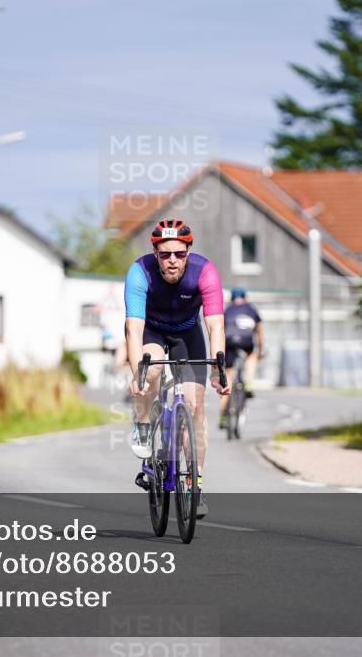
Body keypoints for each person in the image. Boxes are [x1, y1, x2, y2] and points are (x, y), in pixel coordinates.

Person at [124, 219, 229, 518]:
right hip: (151, 333)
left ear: (188, 252)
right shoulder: (139, 273)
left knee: (196, 409)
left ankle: (193, 485)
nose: (172, 261)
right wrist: (138, 376)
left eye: (179, 254)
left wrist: (220, 369)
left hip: (187, 334)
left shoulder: (204, 272)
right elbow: (134, 329)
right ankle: (143, 424)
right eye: (166, 254)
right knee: (152, 372)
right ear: (155, 253)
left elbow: (215, 325)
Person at [219, 288, 264, 428]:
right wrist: (260, 350)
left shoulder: (228, 310)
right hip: (246, 342)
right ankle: (249, 383)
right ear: (245, 297)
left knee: (228, 380)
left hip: (229, 343)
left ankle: (223, 417)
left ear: (232, 299)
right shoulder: (251, 309)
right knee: (252, 355)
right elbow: (259, 332)